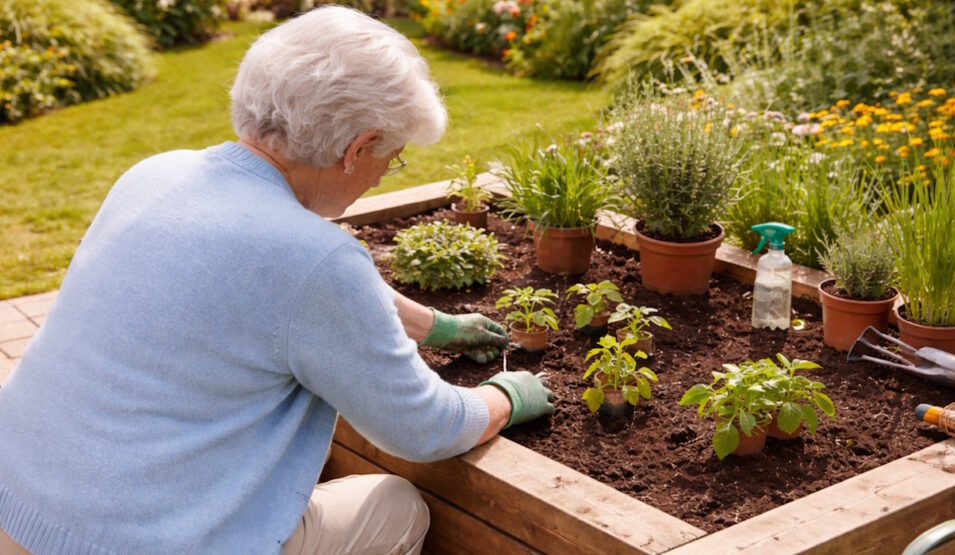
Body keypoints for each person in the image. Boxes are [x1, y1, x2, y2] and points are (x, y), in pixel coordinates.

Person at [0, 6, 554, 554]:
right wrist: (505, 397)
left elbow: (280, 282)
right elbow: (423, 428)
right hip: (145, 542)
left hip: (17, 505)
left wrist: (437, 327)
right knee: (397, 506)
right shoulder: (315, 260)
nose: (387, 170)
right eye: (394, 155)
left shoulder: (155, 175)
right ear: (356, 148)